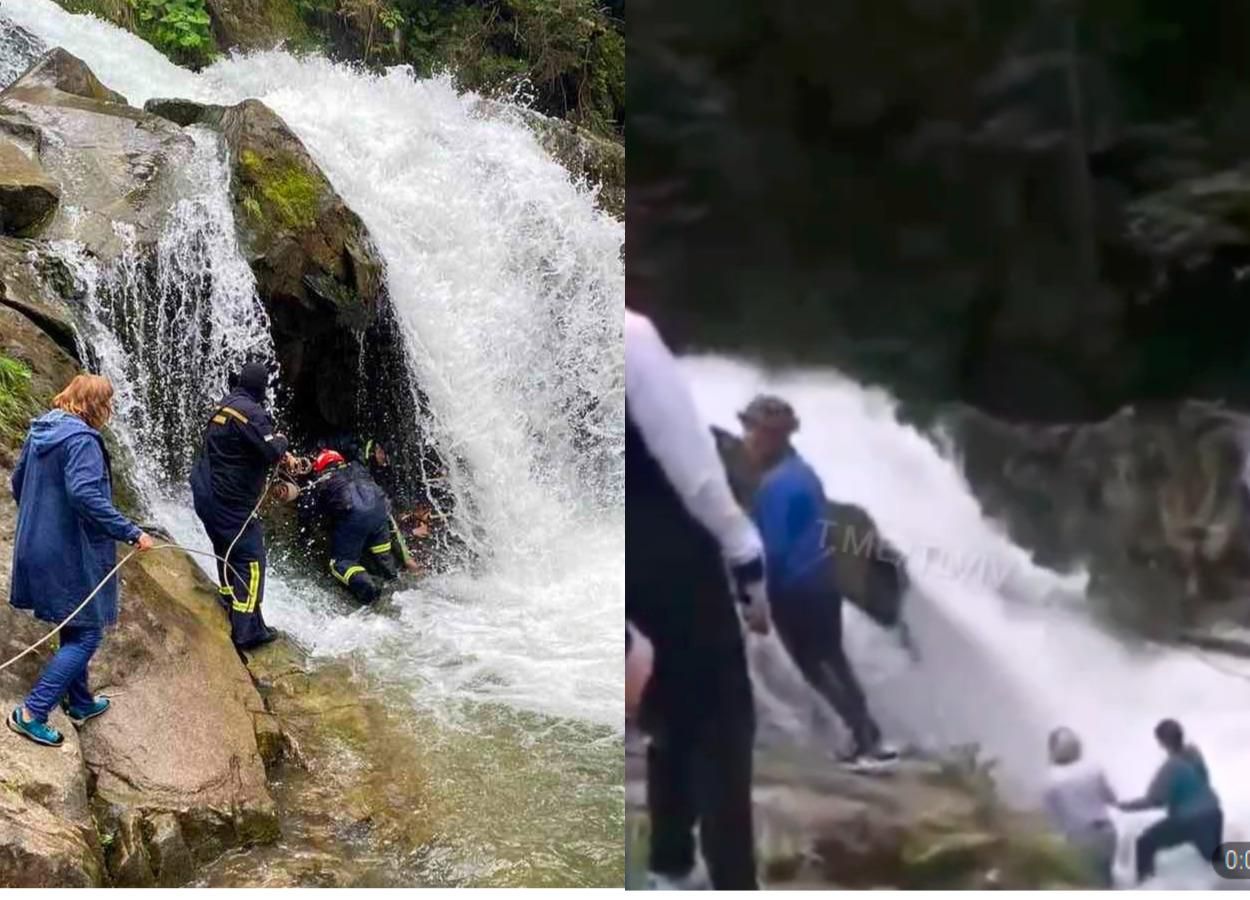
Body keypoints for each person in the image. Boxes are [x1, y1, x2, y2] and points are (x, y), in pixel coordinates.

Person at [625, 308, 770, 890]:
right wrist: (742, 549)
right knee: (723, 719)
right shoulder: (632, 335)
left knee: (670, 715)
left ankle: (669, 865)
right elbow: (697, 471)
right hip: (673, 550)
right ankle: (732, 879)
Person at [739, 394, 896, 764]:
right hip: (823, 583)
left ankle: (864, 740)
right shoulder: (805, 473)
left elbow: (772, 551)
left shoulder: (776, 487)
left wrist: (753, 595)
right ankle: (870, 735)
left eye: (752, 431)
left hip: (794, 590)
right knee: (834, 660)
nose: (747, 439)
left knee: (815, 666)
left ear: (772, 437)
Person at [7, 375, 155, 747]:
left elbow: (17, 483)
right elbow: (86, 494)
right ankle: (32, 712)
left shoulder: (41, 429)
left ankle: (81, 702)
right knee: (87, 633)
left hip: (35, 544)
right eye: (108, 404)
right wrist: (130, 531)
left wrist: (41, 518)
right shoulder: (83, 440)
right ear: (96, 406)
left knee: (75, 621)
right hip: (65, 551)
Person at [190, 362, 292, 650]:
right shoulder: (252, 413)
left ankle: (228, 598)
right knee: (251, 560)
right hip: (229, 500)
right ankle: (247, 630)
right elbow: (271, 450)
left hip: (205, 493)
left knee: (226, 547)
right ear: (260, 388)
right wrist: (282, 440)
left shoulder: (223, 406)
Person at [1118, 718, 1223, 883]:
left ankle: (1144, 887)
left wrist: (1124, 807)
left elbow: (1154, 800)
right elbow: (1204, 780)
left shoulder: (1171, 767)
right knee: (1216, 859)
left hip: (1190, 819)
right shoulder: (1195, 754)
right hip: (1214, 812)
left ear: (1162, 742)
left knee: (1145, 843)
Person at [297, 448, 398, 603]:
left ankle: (368, 589)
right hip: (380, 510)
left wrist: (304, 537)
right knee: (382, 554)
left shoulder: (322, 479)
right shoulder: (359, 468)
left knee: (341, 563)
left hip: (355, 518)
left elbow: (307, 510)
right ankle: (395, 584)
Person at [1042, 727, 1118, 887]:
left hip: (1080, 839)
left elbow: (1053, 822)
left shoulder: (1050, 780)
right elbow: (1111, 799)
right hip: (1107, 834)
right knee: (1107, 882)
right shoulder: (1094, 769)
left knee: (1087, 884)